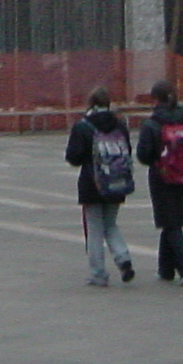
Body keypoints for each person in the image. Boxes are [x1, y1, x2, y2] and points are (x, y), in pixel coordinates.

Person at [64, 87, 137, 287]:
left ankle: (98, 273)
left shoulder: (83, 126)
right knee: (111, 223)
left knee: (95, 229)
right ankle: (123, 259)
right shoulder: (120, 125)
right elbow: (128, 150)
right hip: (117, 180)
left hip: (92, 182)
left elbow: (73, 157)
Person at [135, 81, 183, 285]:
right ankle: (165, 270)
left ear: (155, 99)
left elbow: (143, 155)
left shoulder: (152, 124)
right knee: (172, 220)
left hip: (162, 177)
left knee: (170, 222)